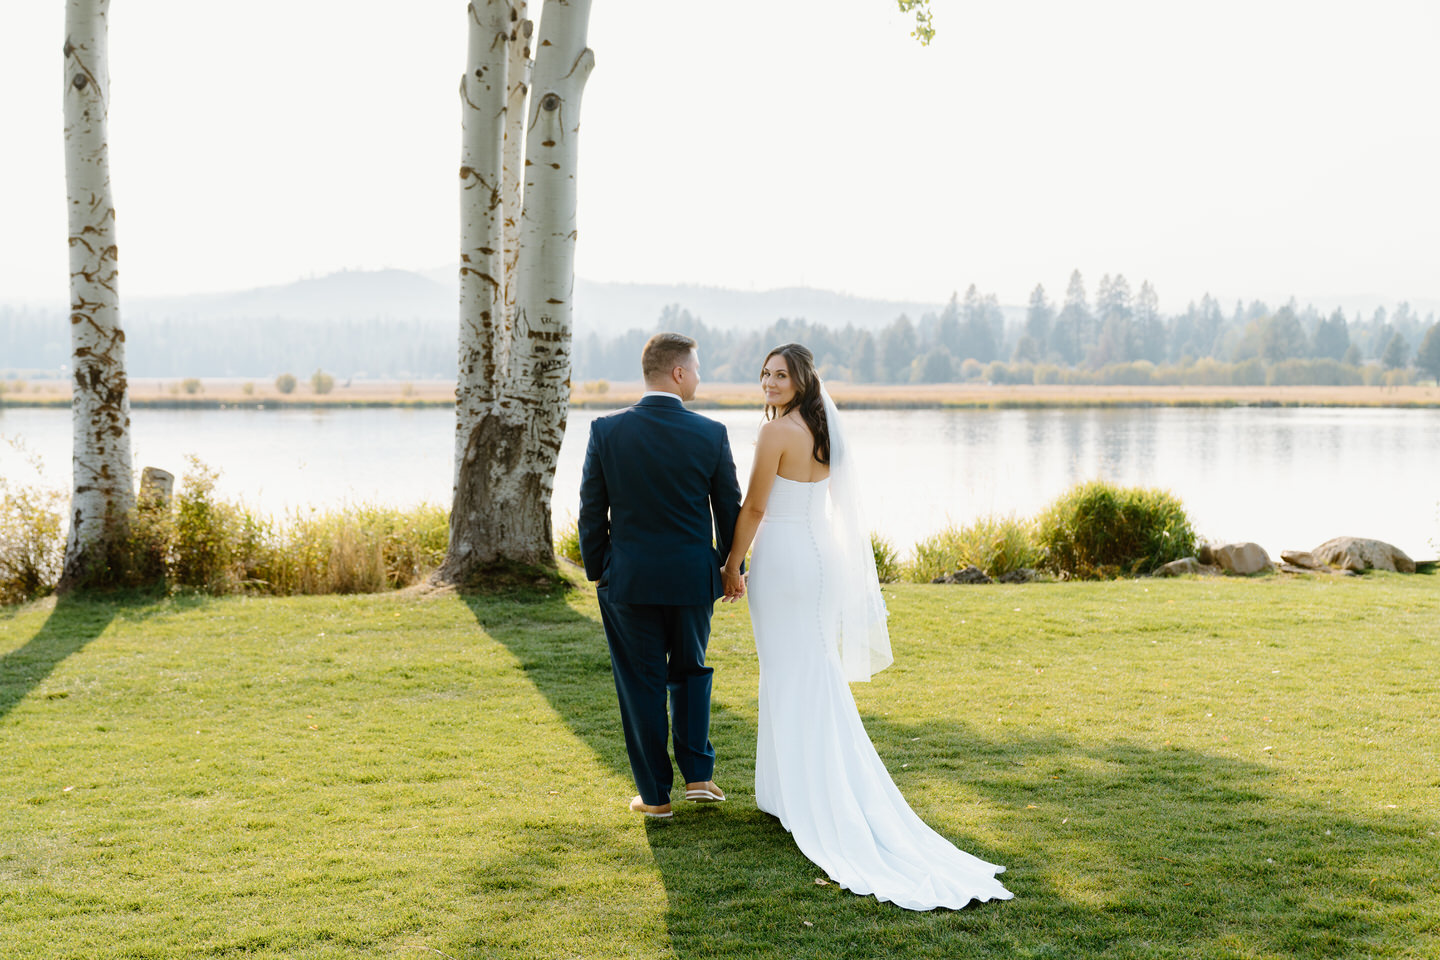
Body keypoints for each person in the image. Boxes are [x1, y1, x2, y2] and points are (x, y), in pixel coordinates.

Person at [721, 342, 1013, 911]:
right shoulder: (825, 429)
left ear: (802, 379)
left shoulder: (777, 432)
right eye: (765, 374)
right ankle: (788, 792)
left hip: (783, 558)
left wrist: (733, 564)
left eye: (780, 375)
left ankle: (806, 795)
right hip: (820, 558)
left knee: (789, 671)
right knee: (807, 669)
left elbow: (753, 508)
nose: (769, 383)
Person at [578, 332, 745, 819]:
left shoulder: (606, 431)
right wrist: (732, 568)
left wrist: (601, 572)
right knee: (691, 672)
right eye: (696, 368)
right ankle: (699, 777)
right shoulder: (711, 433)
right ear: (677, 373)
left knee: (641, 684)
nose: (699, 376)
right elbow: (728, 511)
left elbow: (591, 511)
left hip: (627, 581)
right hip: (693, 579)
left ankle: (654, 797)